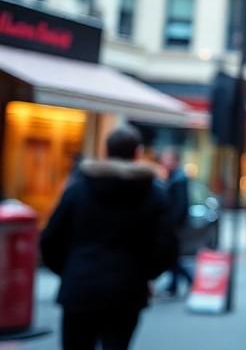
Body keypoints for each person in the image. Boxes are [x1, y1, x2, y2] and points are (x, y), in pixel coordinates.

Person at [40, 125, 176, 350]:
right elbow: (167, 246)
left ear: (106, 151)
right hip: (127, 288)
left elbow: (51, 238)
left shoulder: (79, 189)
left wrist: (70, 269)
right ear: (137, 153)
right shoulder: (153, 194)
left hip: (80, 286)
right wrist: (145, 274)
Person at [159, 149, 192, 298]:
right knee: (172, 257)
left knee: (171, 257)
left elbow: (179, 206)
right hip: (172, 226)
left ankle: (190, 280)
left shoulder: (179, 180)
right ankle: (174, 285)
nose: (163, 162)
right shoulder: (174, 178)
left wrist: (171, 224)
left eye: (167, 159)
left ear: (175, 161)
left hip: (173, 227)